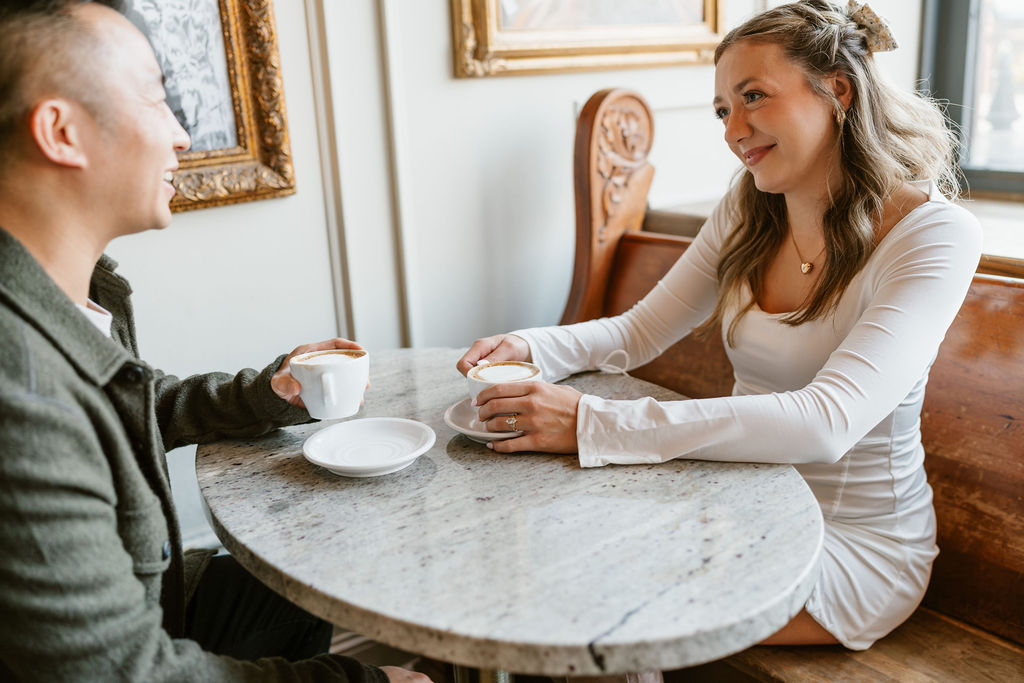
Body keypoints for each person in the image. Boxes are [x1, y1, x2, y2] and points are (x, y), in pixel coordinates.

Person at [458, 0, 982, 651]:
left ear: (837, 92)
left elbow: (827, 421)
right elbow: (636, 332)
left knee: (603, 599)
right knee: (554, 546)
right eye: (721, 111)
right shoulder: (749, 204)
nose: (734, 130)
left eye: (752, 97)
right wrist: (531, 345)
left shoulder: (932, 235)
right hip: (737, 500)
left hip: (852, 545)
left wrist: (590, 422)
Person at [0, 2, 430, 681]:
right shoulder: (17, 391)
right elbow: (125, 673)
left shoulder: (68, 295)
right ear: (61, 131)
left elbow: (134, 409)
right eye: (157, 99)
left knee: (300, 580)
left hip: (155, 601)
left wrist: (267, 391)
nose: (179, 135)